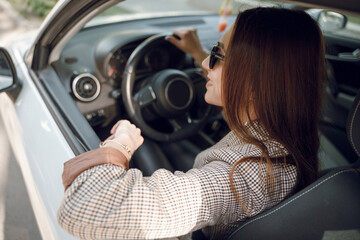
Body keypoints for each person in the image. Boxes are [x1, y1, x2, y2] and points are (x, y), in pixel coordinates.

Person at [57, 7, 325, 239]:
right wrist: (196, 52)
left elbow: (84, 208)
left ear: (256, 83)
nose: (207, 63)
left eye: (218, 55)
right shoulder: (293, 140)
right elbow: (230, 77)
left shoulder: (240, 177)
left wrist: (120, 145)